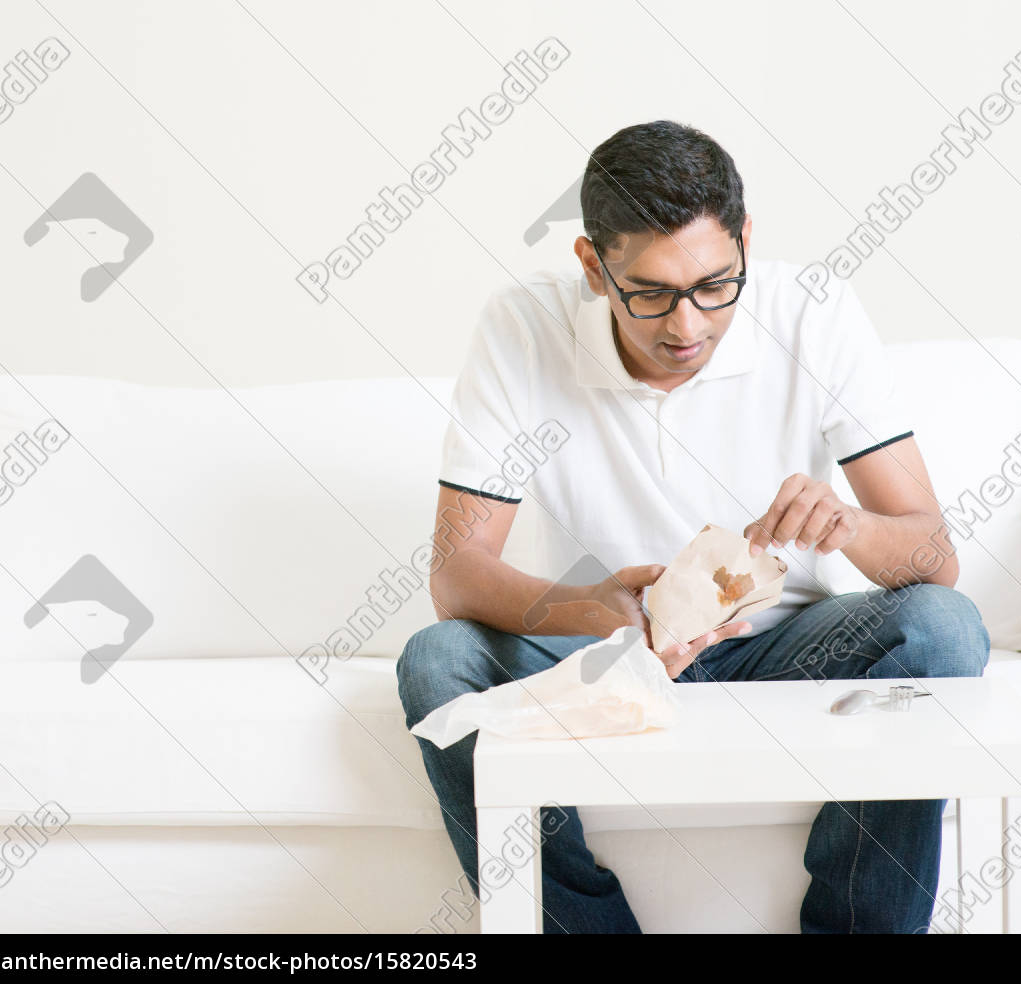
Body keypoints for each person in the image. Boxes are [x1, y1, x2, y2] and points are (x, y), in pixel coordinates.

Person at [396, 120, 989, 934]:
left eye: (716, 284)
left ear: (746, 242)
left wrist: (847, 524)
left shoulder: (810, 313)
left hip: (789, 648)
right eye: (650, 292)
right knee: (439, 662)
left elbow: (935, 557)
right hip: (608, 651)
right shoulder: (521, 327)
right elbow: (457, 572)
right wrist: (596, 609)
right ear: (592, 267)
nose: (687, 327)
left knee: (942, 629)